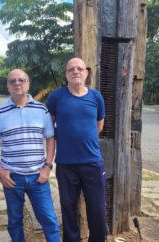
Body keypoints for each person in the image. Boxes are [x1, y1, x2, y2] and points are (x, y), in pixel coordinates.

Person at [0, 69, 60, 242]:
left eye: (21, 80)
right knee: (14, 221)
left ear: (28, 84)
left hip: (38, 177)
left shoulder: (42, 110)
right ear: (8, 86)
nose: (17, 83)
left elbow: (50, 138)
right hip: (12, 178)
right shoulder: (0, 113)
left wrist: (47, 167)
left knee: (49, 219)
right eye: (12, 81)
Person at [46, 57, 107, 242]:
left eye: (79, 68)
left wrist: (84, 139)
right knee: (68, 207)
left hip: (92, 162)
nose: (75, 72)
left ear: (86, 73)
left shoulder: (96, 97)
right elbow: (50, 126)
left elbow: (99, 125)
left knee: (96, 208)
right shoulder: (56, 96)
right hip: (66, 163)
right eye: (71, 69)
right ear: (66, 74)